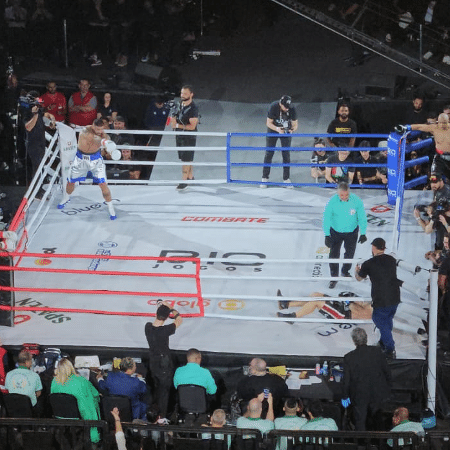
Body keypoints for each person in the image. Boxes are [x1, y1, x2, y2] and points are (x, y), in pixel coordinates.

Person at [57, 118, 118, 220]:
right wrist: (105, 142)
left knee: (103, 185)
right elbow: (94, 139)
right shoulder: (85, 131)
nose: (99, 131)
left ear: (103, 128)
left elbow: (106, 148)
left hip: (96, 160)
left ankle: (111, 209)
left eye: (101, 129)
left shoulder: (105, 136)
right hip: (80, 159)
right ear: (93, 126)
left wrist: (112, 151)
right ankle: (66, 198)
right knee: (70, 183)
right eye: (97, 129)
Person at [355, 238, 401, 359]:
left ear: (374, 247)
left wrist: (357, 271)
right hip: (395, 296)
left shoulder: (368, 263)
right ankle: (383, 342)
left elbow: (359, 278)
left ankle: (390, 348)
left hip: (381, 298)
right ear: (384, 248)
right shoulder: (391, 260)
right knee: (387, 320)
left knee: (379, 320)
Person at [342, 327, 391, 431]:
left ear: (354, 341)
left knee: (360, 421)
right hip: (378, 393)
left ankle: (361, 444)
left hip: (359, 395)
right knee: (378, 420)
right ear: (366, 338)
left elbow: (346, 381)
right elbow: (387, 372)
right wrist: (387, 389)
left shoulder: (349, 357)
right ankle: (380, 443)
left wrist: (345, 397)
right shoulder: (378, 352)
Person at [323, 182, 367, 288]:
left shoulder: (356, 201)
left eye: (346, 195)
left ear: (349, 192)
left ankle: (345, 271)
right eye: (342, 195)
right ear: (338, 193)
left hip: (352, 233)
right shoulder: (332, 202)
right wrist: (326, 234)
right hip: (335, 232)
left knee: (349, 254)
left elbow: (362, 216)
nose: (344, 197)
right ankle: (334, 277)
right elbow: (326, 217)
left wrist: (363, 233)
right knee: (333, 255)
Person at [145, 301, 182, 419]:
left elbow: (158, 319)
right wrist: (172, 309)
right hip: (163, 364)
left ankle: (155, 410)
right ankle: (162, 416)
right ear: (166, 317)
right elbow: (179, 320)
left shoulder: (148, 327)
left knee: (156, 386)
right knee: (164, 391)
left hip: (153, 362)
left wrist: (163, 309)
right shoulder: (165, 331)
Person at [51, 358, 101, 443]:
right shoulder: (81, 381)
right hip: (79, 420)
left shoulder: (54, 382)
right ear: (71, 367)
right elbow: (95, 394)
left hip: (60, 420)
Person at [398, 113, 450, 181]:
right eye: (441, 123)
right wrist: (407, 127)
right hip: (439, 158)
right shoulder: (435, 128)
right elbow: (420, 127)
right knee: (434, 179)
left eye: (445, 123)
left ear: (448, 121)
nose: (443, 125)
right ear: (438, 122)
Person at [261, 95, 298, 188]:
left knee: (286, 154)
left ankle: (286, 179)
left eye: (287, 107)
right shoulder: (274, 106)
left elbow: (295, 123)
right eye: (285, 107)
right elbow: (268, 122)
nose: (286, 109)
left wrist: (292, 130)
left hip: (286, 130)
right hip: (273, 129)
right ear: (280, 104)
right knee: (269, 153)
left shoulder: (292, 108)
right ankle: (264, 178)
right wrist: (277, 129)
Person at [22, 90, 56, 184]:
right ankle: (34, 189)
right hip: (32, 143)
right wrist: (35, 114)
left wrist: (52, 120)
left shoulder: (39, 109)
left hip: (41, 141)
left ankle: (40, 187)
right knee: (35, 167)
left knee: (41, 165)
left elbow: (47, 114)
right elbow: (28, 127)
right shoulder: (26, 111)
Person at [170, 85, 199, 190]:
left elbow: (192, 126)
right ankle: (190, 177)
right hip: (179, 136)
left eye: (185, 94)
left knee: (186, 159)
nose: (182, 96)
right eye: (182, 93)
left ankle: (184, 180)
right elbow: (174, 117)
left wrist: (177, 125)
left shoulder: (193, 109)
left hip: (188, 137)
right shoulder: (179, 105)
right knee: (186, 157)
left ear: (191, 94)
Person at [277, 290, 372, 320]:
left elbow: (360, 303)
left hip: (343, 314)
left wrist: (352, 297)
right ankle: (286, 304)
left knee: (316, 302)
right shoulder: (376, 301)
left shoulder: (374, 308)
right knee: (316, 295)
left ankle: (292, 317)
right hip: (342, 306)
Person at [142, 96, 170, 180]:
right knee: (150, 153)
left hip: (164, 133)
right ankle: (148, 174)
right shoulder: (151, 107)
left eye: (161, 103)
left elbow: (169, 120)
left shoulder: (167, 108)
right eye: (158, 103)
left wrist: (166, 128)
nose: (159, 104)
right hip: (152, 134)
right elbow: (147, 120)